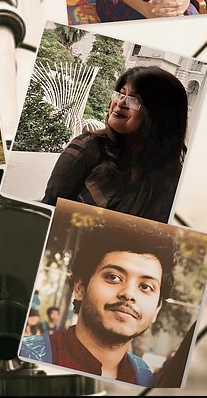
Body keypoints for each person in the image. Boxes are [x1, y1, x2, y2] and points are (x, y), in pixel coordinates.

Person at [19, 224, 176, 387]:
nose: (128, 294)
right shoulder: (26, 357)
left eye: (145, 287)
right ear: (80, 288)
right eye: (114, 277)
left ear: (157, 309)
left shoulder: (145, 378)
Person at [41, 66, 188, 223]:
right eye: (120, 94)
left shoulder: (172, 178)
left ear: (160, 115)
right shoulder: (86, 148)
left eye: (134, 99)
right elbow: (47, 214)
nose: (120, 103)